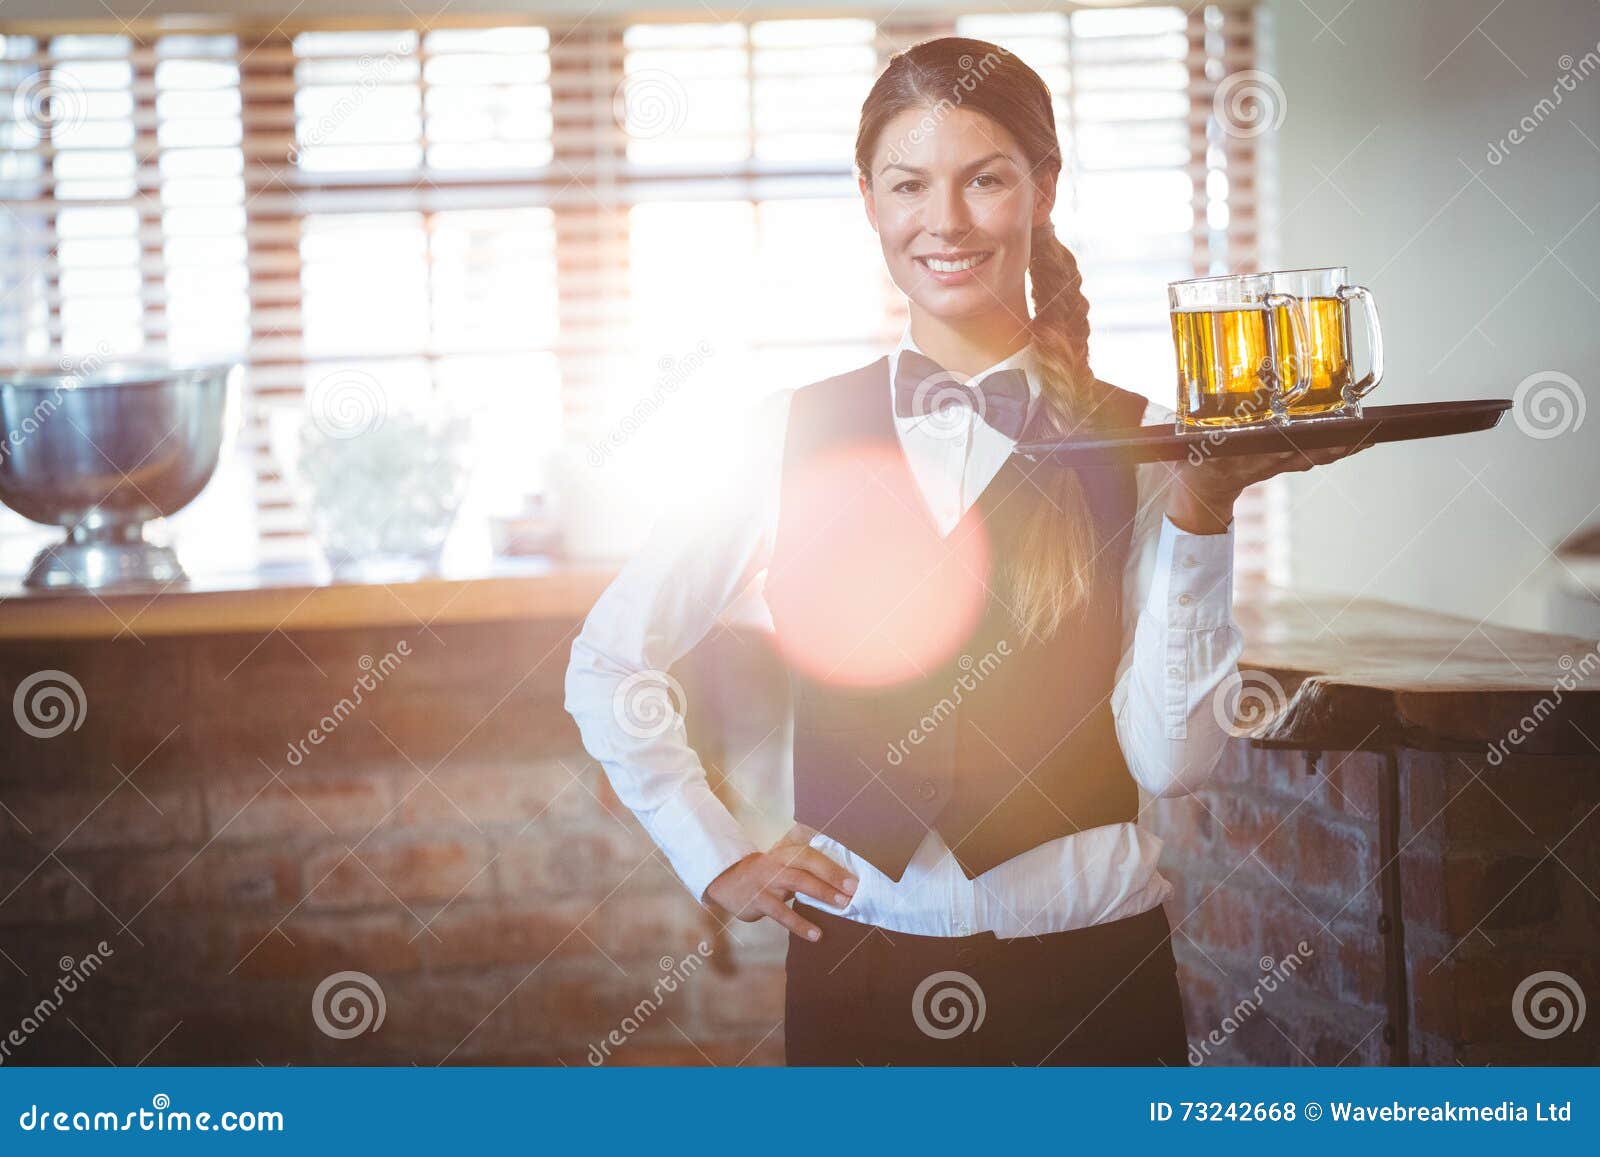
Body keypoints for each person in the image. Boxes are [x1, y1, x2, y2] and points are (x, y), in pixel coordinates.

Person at [565, 36, 1363, 1066]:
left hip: (1091, 976)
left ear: (1042, 187)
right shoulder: (779, 435)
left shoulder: (1154, 440)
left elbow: (1170, 760)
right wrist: (714, 855)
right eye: (909, 184)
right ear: (867, 199)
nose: (943, 221)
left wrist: (1204, 511)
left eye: (984, 180)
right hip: (858, 976)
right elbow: (609, 658)